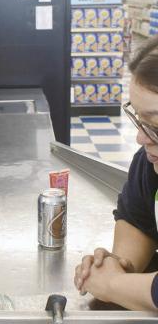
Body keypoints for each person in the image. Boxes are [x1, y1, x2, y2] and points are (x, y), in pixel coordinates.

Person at [74, 35, 158, 311]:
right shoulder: (150, 162)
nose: (140, 138)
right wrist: (119, 265)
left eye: (154, 124)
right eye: (139, 120)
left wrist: (113, 286)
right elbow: (138, 218)